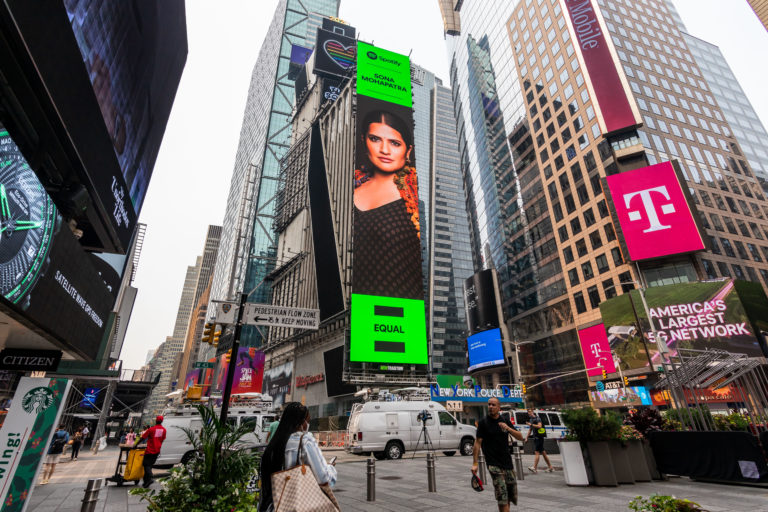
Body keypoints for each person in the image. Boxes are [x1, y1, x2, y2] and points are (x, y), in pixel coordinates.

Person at [353, 109, 423, 300]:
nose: (384, 149)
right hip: (350, 312)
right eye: (375, 139)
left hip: (402, 314)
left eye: (394, 143)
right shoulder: (346, 189)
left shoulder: (415, 199)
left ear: (408, 150)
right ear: (363, 141)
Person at [259, 402, 337, 512]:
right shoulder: (305, 441)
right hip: (299, 506)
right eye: (308, 421)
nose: (307, 425)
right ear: (300, 423)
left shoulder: (271, 446)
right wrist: (330, 468)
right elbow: (324, 478)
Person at [473, 397, 524, 512]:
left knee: (509, 497)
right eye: (489, 404)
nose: (490, 407)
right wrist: (475, 463)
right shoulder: (483, 423)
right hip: (493, 464)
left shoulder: (505, 420)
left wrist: (508, 428)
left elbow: (520, 437)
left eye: (493, 405)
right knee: (502, 496)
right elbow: (477, 443)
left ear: (499, 407)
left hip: (507, 463)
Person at [134, 415, 167, 488]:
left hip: (150, 450)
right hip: (157, 450)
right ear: (162, 421)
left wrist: (136, 445)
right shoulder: (164, 430)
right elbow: (162, 439)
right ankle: (146, 482)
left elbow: (143, 437)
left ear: (156, 420)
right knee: (149, 466)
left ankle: (150, 476)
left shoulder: (152, 429)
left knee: (146, 464)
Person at [525, 408, 554, 474]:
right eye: (528, 412)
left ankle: (535, 468)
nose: (529, 413)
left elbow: (539, 426)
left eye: (530, 412)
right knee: (543, 453)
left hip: (539, 437)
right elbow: (530, 429)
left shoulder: (537, 418)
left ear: (533, 412)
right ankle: (550, 467)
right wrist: (526, 437)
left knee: (537, 452)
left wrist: (531, 424)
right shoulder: (531, 419)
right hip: (536, 437)